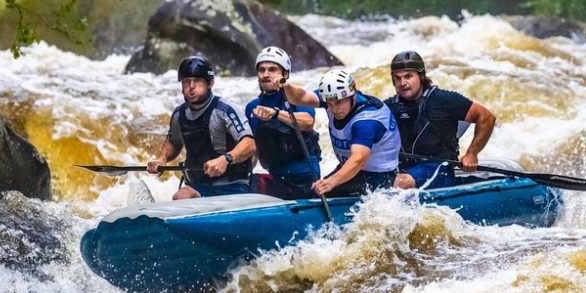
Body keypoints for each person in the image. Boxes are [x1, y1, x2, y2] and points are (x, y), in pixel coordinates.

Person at [147, 56, 256, 199]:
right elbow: (173, 142)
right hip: (199, 185)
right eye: (186, 81)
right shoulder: (179, 115)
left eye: (197, 81)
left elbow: (250, 144)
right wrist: (162, 159)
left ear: (210, 83)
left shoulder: (226, 110)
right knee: (180, 197)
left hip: (233, 185)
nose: (191, 86)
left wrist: (226, 159)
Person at [281, 69, 401, 197]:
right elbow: (301, 97)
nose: (334, 109)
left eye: (338, 103)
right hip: (353, 171)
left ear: (352, 96)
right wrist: (285, 86)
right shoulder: (335, 95)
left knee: (320, 194)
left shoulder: (366, 121)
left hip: (379, 176)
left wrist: (330, 183)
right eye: (329, 104)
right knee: (314, 193)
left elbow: (358, 159)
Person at [386, 51, 496, 189]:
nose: (402, 83)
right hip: (402, 169)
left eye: (408, 76)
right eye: (397, 78)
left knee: (401, 182)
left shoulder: (444, 100)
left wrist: (472, 154)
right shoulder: (388, 107)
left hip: (438, 169)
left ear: (421, 76)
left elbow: (486, 117)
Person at [245, 46, 322, 199]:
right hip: (277, 178)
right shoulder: (252, 107)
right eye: (262, 70)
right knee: (246, 185)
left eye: (272, 69)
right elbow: (254, 150)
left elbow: (308, 122)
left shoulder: (295, 98)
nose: (266, 75)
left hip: (304, 179)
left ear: (285, 74)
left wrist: (276, 114)